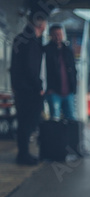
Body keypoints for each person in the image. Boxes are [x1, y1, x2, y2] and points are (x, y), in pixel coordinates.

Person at [10, 13, 47, 165]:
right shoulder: (31, 42)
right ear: (41, 25)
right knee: (28, 122)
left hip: (20, 89)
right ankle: (23, 155)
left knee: (23, 122)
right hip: (29, 90)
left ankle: (23, 153)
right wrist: (39, 87)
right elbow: (31, 69)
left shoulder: (20, 38)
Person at [44, 24, 77, 121]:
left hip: (68, 92)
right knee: (55, 119)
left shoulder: (68, 51)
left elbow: (73, 70)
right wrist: (48, 89)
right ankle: (55, 137)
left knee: (71, 118)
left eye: (59, 34)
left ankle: (69, 137)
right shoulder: (46, 50)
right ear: (50, 35)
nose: (58, 37)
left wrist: (73, 87)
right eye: (55, 34)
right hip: (53, 91)